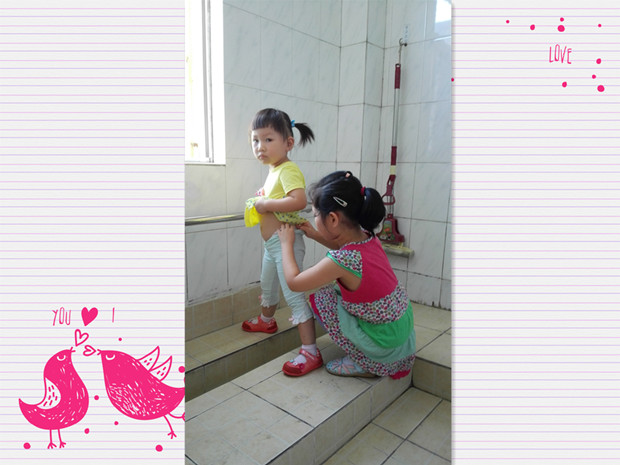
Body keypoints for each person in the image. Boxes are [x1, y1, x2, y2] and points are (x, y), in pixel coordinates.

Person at [277, 171, 416, 378]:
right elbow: (342, 246)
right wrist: (314, 233)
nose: (314, 219)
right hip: (399, 333)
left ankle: (366, 363)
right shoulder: (369, 237)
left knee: (324, 299)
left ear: (333, 218)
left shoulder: (342, 261)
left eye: (315, 215)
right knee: (337, 291)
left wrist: (286, 244)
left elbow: (295, 282)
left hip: (384, 347)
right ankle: (373, 352)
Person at [241, 108, 323, 377]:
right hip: (273, 245)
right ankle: (266, 320)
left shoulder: (288, 169)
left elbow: (299, 201)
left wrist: (265, 203)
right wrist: (264, 197)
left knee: (294, 294)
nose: (260, 146)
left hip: (286, 243)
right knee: (268, 284)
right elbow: (281, 199)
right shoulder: (275, 169)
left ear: (288, 143)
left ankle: (310, 351)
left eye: (268, 139)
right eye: (255, 140)